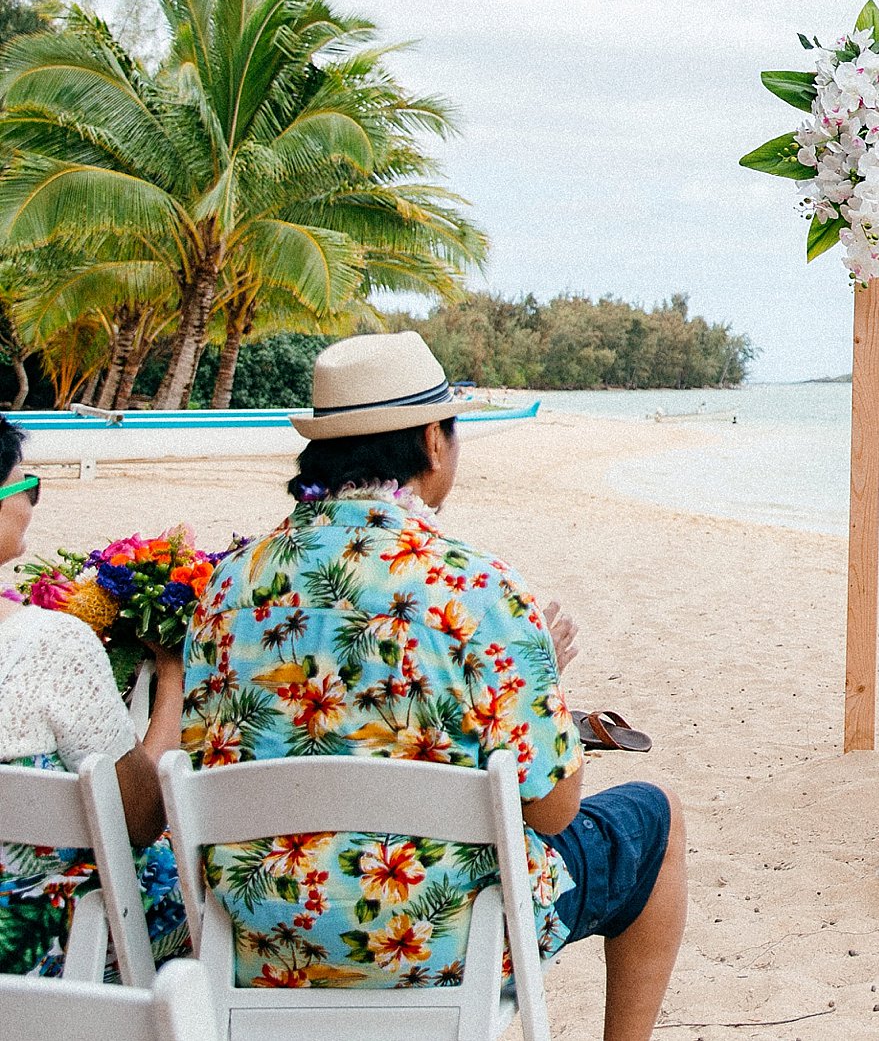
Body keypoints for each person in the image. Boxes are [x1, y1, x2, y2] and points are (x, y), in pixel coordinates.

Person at [182, 333, 686, 1039]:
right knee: (653, 819)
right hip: (444, 944)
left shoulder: (226, 585)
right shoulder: (477, 588)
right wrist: (538, 674)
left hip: (262, 944)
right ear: (432, 441)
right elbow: (552, 810)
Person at [0, 416, 188, 977]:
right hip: (30, 958)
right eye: (23, 484)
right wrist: (172, 675)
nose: (31, 501)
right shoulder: (45, 642)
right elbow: (140, 816)